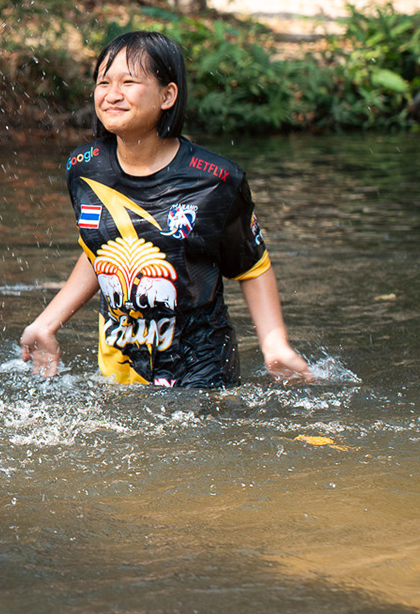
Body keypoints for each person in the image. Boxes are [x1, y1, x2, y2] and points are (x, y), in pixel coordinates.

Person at [17, 30, 312, 387]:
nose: (112, 95)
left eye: (128, 82)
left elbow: (252, 266)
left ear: (168, 95)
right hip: (119, 373)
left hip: (201, 374)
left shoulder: (216, 181)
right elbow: (100, 251)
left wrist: (274, 345)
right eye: (103, 82)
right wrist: (47, 323)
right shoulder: (84, 167)